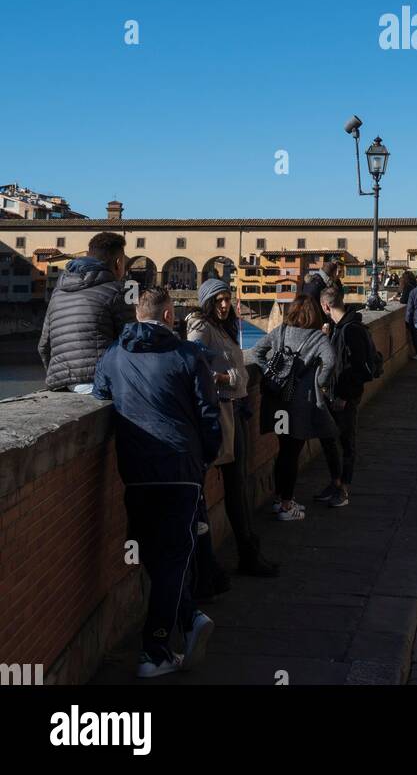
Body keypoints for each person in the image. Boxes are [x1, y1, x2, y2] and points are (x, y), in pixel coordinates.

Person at [91, 286, 222, 678]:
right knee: (176, 557)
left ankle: (188, 619)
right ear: (168, 316)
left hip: (134, 470)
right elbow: (208, 412)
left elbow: (100, 395)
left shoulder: (112, 355)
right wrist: (206, 457)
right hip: (179, 469)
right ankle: (155, 650)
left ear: (136, 313)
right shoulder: (187, 355)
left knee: (152, 555)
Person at [186, 279, 278, 579]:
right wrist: (228, 379)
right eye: (218, 300)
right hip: (222, 414)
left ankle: (244, 553)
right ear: (207, 302)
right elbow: (193, 365)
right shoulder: (201, 327)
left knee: (239, 484)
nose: (225, 305)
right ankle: (240, 557)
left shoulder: (224, 327)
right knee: (235, 486)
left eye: (227, 298)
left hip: (235, 411)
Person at [252, 295, 337, 521]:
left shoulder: (280, 331)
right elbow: (330, 361)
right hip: (299, 405)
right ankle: (287, 506)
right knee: (292, 452)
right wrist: (318, 383)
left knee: (283, 450)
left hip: (277, 401)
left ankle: (280, 499)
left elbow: (256, 352)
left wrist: (271, 373)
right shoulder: (318, 337)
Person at [39, 230, 132, 392]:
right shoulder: (122, 291)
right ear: (118, 262)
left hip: (60, 385)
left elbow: (43, 346)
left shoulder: (58, 292)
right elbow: (132, 342)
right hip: (99, 382)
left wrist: (58, 377)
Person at [315, 284, 371, 507]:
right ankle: (335, 482)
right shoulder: (338, 328)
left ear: (326, 306)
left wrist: (345, 397)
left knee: (347, 443)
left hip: (345, 398)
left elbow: (355, 368)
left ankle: (344, 490)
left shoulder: (351, 330)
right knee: (329, 441)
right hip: (333, 395)